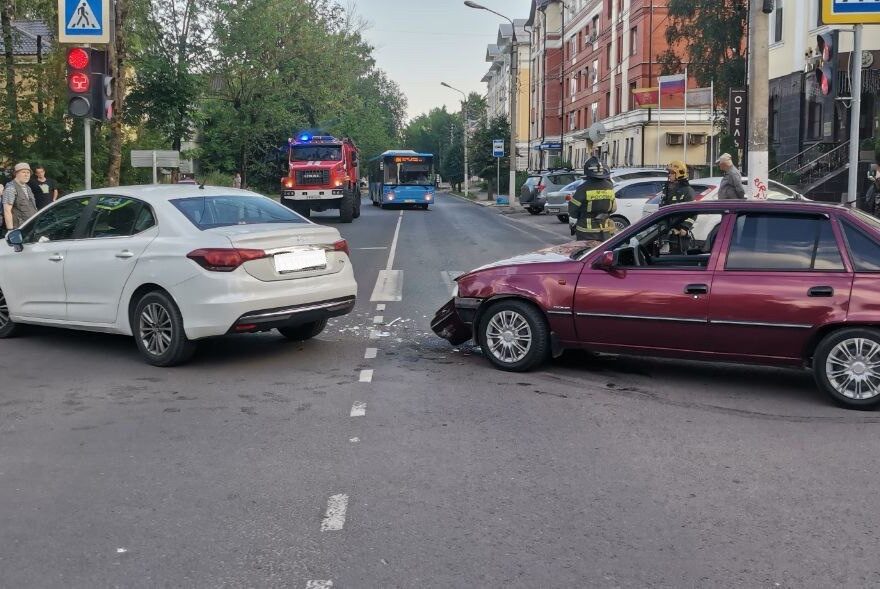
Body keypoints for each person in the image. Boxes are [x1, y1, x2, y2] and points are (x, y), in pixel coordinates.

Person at [569, 156, 616, 242]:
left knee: (587, 254)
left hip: (586, 232)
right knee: (603, 253)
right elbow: (613, 209)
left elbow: (572, 211)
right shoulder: (610, 187)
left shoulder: (583, 188)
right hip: (605, 230)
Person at [2, 163, 38, 234]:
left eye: (28, 172)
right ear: (16, 174)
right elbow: (7, 211)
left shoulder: (28, 187)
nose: (26, 175)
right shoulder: (11, 188)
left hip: (31, 227)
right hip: (19, 229)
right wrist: (10, 230)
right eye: (23, 172)